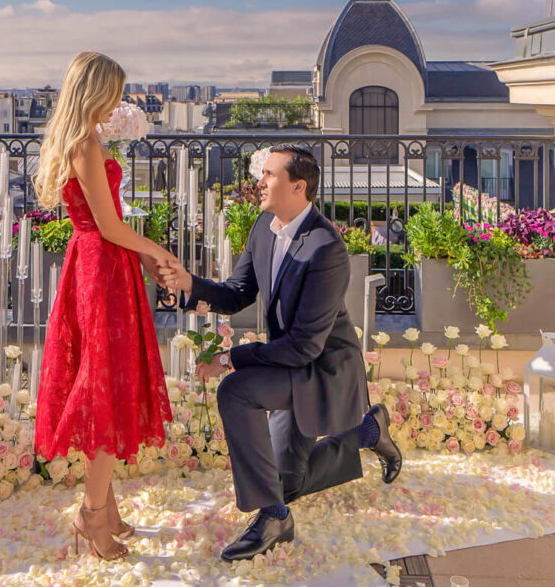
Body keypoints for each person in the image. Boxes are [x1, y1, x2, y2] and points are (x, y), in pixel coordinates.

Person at [159, 145, 403, 562]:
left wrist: (231, 359)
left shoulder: (326, 248)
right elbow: (237, 294)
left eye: (269, 175)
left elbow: (306, 345)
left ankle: (274, 518)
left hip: (323, 368)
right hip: (289, 363)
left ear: (298, 186)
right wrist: (188, 287)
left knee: (236, 390)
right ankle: (367, 433)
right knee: (283, 481)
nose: (260, 182)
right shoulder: (263, 227)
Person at [33, 51, 178, 561]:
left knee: (105, 381)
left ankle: (106, 511)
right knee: (103, 388)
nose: (119, 100)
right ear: (96, 91)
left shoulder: (81, 141)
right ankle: (92, 516)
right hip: (101, 265)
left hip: (98, 264)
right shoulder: (86, 147)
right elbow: (110, 225)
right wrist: (160, 252)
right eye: (114, 90)